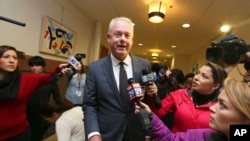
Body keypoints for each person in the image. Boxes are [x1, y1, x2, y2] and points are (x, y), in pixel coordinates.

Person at [83, 17, 152, 141]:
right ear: (109, 38)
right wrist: (93, 134)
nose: (122, 39)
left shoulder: (144, 65)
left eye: (127, 35)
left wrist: (148, 132)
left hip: (136, 134)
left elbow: (148, 101)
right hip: (106, 135)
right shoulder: (95, 68)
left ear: (132, 40)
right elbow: (89, 105)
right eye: (118, 34)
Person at [135, 77, 250, 141]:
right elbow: (169, 139)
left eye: (223, 105)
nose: (212, 108)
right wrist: (150, 115)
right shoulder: (206, 136)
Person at [0, 45, 70, 141]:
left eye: (15, 58)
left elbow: (49, 78)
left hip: (23, 131)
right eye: (6, 57)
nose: (12, 60)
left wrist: (59, 70)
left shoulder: (24, 79)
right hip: (27, 116)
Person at [147, 62, 227, 133]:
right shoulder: (179, 94)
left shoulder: (222, 105)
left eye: (204, 76)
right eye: (198, 73)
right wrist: (153, 95)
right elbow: (159, 112)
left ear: (215, 86)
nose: (196, 77)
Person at [26, 55, 62, 141]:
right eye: (32, 65)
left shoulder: (50, 81)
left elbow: (58, 100)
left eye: (37, 65)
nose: (34, 68)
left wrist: (56, 115)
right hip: (27, 114)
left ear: (43, 67)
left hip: (43, 114)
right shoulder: (27, 79)